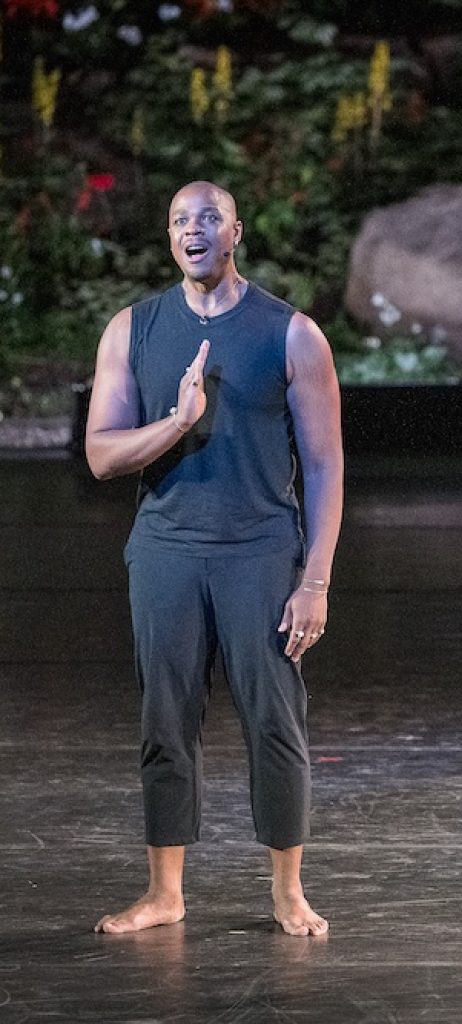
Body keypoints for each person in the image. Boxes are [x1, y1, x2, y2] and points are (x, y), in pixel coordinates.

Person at [85, 180, 343, 937]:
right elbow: (101, 455)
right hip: (166, 550)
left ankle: (287, 891)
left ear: (235, 232)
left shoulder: (291, 333)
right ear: (170, 239)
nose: (191, 230)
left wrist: (315, 579)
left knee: (274, 721)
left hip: (260, 553)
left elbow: (326, 465)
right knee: (165, 720)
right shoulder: (131, 329)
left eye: (206, 218)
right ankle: (165, 892)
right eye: (177, 220)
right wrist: (177, 422)